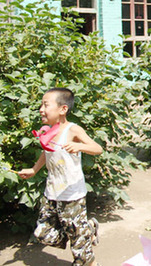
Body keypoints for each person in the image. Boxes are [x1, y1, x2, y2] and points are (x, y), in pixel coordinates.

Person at [18, 88, 102, 266]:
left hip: (72, 195)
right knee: (43, 233)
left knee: (80, 250)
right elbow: (46, 152)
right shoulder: (49, 131)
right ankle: (86, 230)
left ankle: (86, 256)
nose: (41, 109)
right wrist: (33, 170)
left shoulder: (73, 130)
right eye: (41, 104)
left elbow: (97, 148)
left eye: (46, 105)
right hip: (52, 192)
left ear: (63, 109)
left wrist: (79, 147)